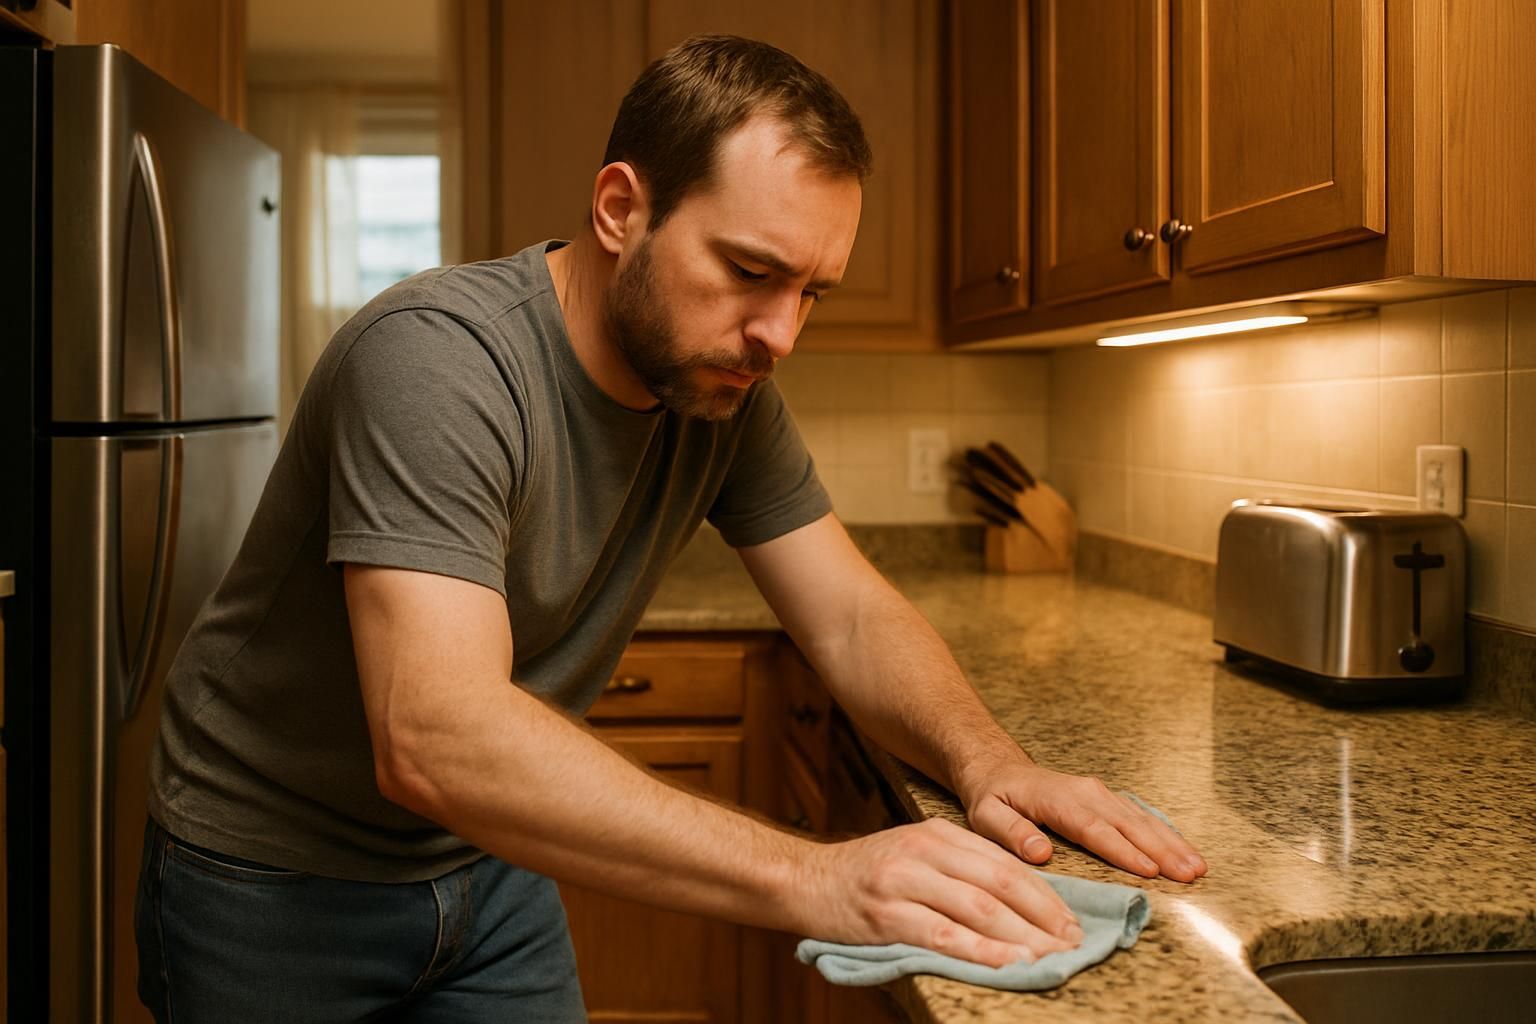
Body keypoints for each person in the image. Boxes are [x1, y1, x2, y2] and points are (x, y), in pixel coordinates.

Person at [135, 34, 1206, 1023]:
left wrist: (988, 762)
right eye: (750, 272)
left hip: (487, 865)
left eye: (812, 293)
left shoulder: (723, 388)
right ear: (620, 209)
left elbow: (847, 613)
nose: (779, 332)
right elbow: (436, 736)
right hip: (273, 879)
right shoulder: (438, 360)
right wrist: (820, 875)